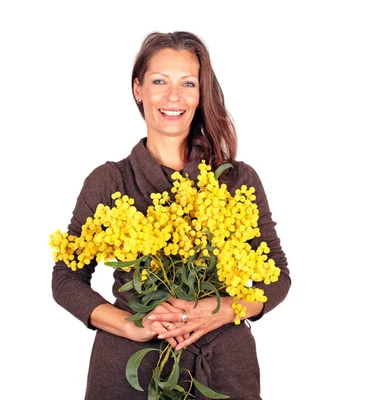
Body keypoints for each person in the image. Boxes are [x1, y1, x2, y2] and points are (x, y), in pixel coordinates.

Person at [51, 31, 291, 400]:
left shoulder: (238, 180)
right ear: (138, 89)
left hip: (223, 370)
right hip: (127, 372)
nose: (173, 96)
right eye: (159, 81)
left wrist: (224, 309)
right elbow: (66, 278)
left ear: (201, 93)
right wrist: (131, 324)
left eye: (188, 83)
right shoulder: (109, 181)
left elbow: (277, 274)